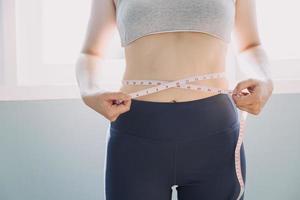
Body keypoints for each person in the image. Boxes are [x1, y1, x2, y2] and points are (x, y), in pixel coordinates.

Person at [75, 0, 274, 199]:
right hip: (137, 136)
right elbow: (90, 52)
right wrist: (89, 92)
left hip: (215, 135)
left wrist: (265, 81)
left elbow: (251, 45)